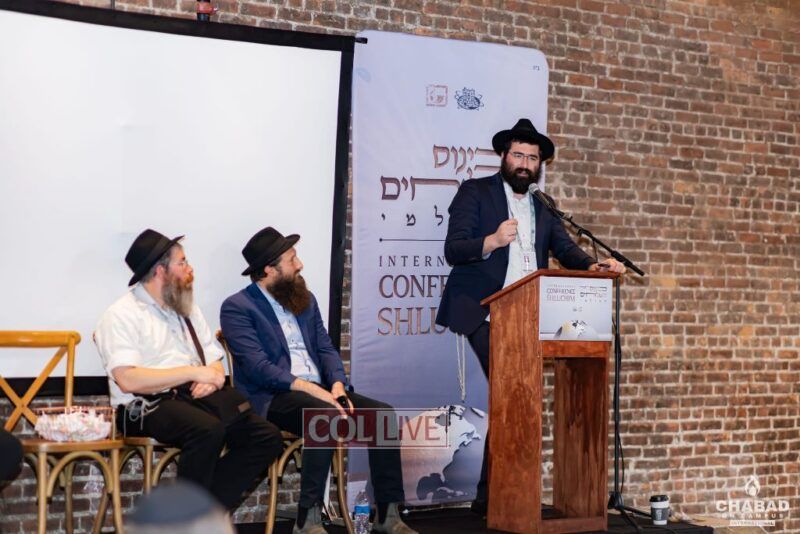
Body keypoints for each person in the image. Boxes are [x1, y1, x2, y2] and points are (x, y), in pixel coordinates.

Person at [436, 118, 626, 514]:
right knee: (514, 391)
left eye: (532, 158)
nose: (524, 164)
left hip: (529, 314)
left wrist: (592, 267)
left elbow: (565, 249)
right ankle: (500, 496)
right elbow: (454, 249)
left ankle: (493, 497)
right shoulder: (475, 192)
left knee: (514, 397)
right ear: (504, 157)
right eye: (518, 155)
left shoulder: (543, 203)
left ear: (540, 164)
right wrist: (491, 241)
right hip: (485, 311)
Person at [220, 227, 416, 534]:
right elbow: (259, 368)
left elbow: (325, 348)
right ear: (270, 269)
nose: (299, 264)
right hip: (274, 397)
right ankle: (307, 519)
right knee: (322, 416)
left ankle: (388, 515)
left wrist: (337, 384)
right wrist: (313, 389)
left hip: (321, 391)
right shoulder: (238, 307)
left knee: (382, 416)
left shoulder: (304, 300)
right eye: (292, 259)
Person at [95, 229, 282, 511]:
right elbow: (127, 379)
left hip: (193, 397)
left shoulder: (186, 308)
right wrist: (193, 373)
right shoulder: (121, 314)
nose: (190, 268)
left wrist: (213, 378)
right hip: (144, 405)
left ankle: (202, 512)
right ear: (161, 271)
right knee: (207, 430)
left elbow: (213, 358)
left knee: (265, 436)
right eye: (182, 262)